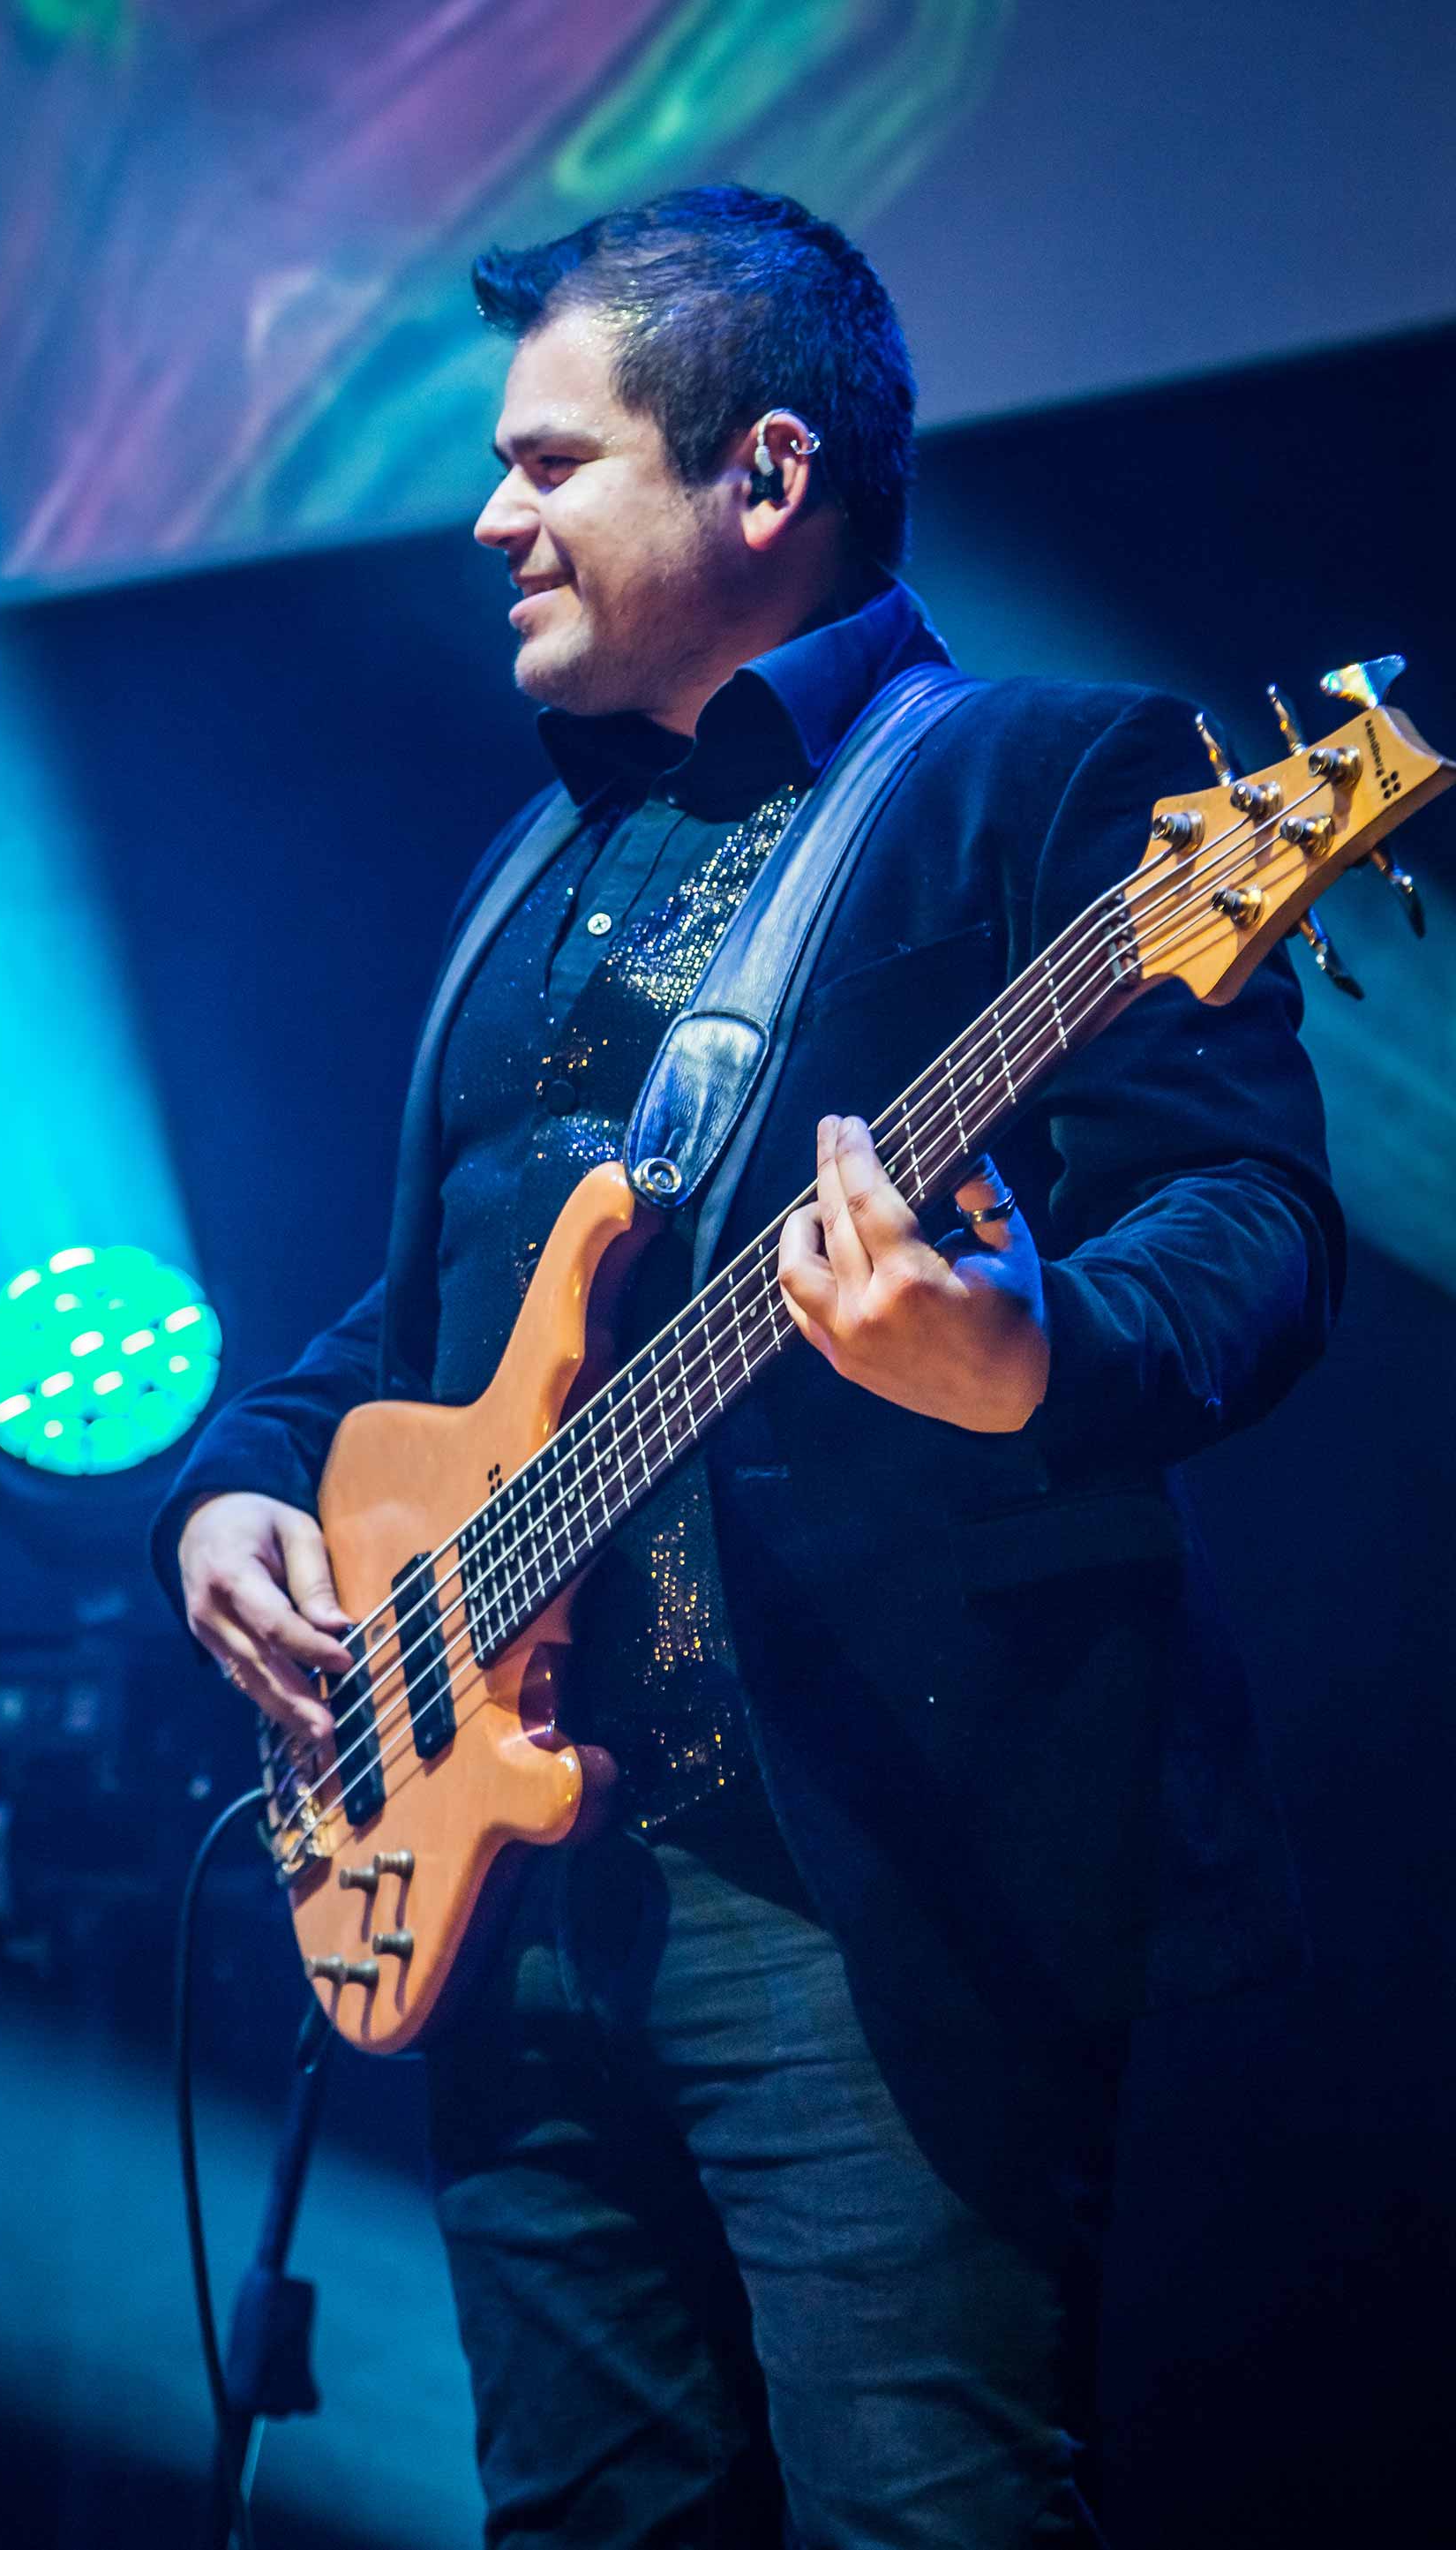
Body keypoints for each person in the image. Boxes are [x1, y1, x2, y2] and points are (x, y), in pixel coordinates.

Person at [154, 187, 1341, 2547]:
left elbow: (1251, 1219)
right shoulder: (534, 857)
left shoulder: (1049, 783)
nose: (491, 518)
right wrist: (240, 1484)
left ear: (766, 474)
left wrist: (1024, 1349)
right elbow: (425, 1318)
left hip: (862, 1897)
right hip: (516, 1916)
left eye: (550, 462)